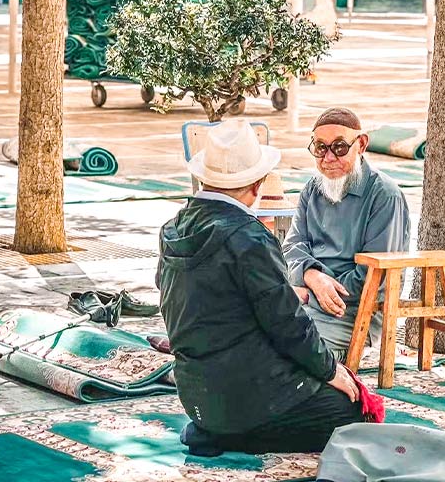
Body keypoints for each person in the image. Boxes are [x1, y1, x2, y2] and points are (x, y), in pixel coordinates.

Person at [156, 120, 364, 456]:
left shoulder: (172, 229)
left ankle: (215, 430)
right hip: (250, 394)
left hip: (197, 395)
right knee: (350, 411)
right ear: (257, 185)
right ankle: (234, 435)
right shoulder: (249, 237)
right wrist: (330, 370)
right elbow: (288, 324)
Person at [283, 108, 410, 362]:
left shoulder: (384, 195)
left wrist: (315, 293)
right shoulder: (312, 188)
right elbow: (293, 247)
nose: (328, 157)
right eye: (320, 148)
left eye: (339, 147)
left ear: (361, 144)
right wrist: (311, 276)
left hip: (349, 313)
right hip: (304, 299)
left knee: (287, 350)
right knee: (241, 328)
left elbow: (375, 279)